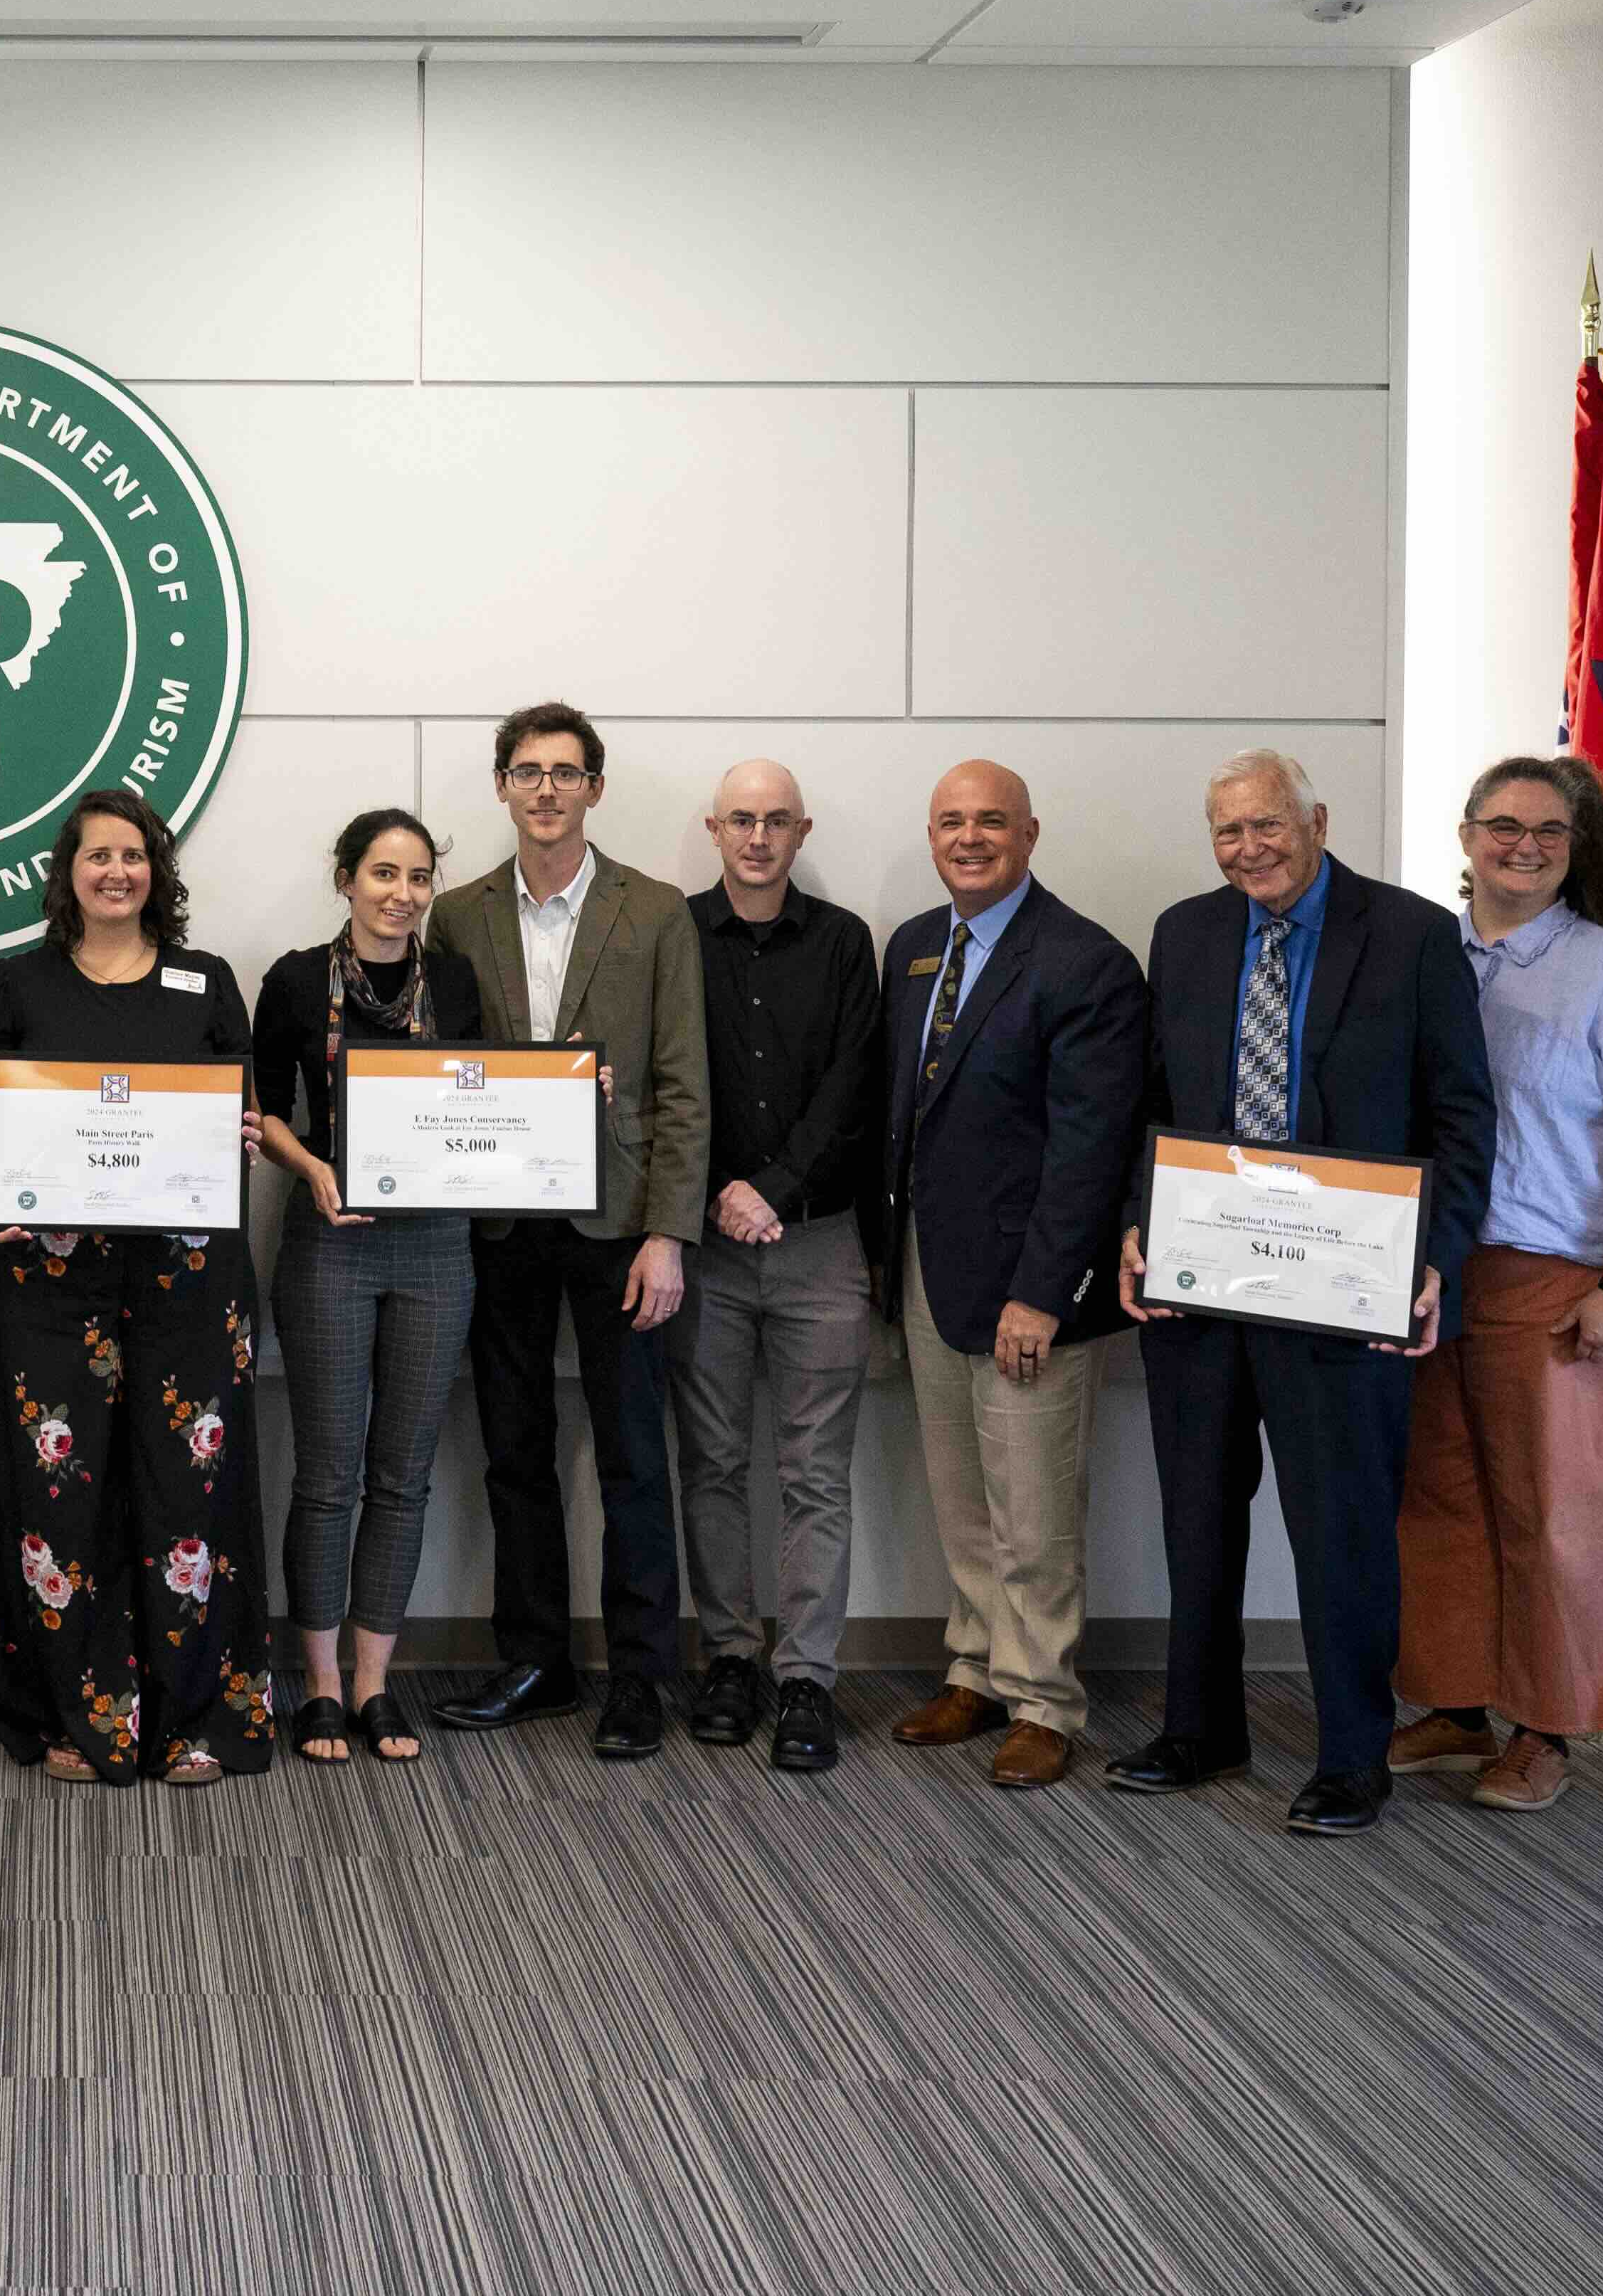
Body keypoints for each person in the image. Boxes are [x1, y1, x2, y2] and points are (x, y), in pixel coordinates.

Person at [1111, 748, 1493, 1836]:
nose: (1249, 850)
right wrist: (1138, 1227)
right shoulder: (1185, 933)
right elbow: (1152, 1104)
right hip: (1199, 1286)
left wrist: (1438, 1261)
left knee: (1342, 1529)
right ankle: (1200, 1729)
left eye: (1268, 826)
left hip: (1344, 1289)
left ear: (1317, 819)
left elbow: (1465, 1121)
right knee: (1197, 1517)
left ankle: (1351, 1756)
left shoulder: (1414, 936)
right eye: (1227, 831)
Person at [1385, 757, 1603, 1813]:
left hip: (1558, 1274)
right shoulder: (1424, 953)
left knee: (1557, 1510)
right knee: (1440, 1495)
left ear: (1579, 848)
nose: (1523, 846)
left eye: (1550, 833)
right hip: (1431, 1267)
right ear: (1465, 833)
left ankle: (1548, 1727)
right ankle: (1457, 1701)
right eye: (1504, 826)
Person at [0, 788, 273, 1787]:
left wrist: (239, 1134)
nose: (116, 873)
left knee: (190, 1487)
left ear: (157, 871)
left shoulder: (206, 979)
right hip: (55, 1282)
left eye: (133, 856)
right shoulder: (16, 984)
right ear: (68, 874)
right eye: (97, 856)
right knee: (61, 1495)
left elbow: (249, 1118)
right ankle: (74, 1715)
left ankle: (197, 1719)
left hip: (188, 1277)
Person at [425, 704, 709, 1762]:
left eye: (566, 773)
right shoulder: (456, 914)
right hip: (498, 1222)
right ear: (502, 786)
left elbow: (684, 1085)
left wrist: (668, 1233)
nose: (546, 791)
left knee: (636, 1452)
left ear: (596, 787)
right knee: (515, 1450)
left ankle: (641, 1675)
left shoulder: (657, 912)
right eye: (527, 773)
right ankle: (537, 1659)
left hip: (619, 1227)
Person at [877, 759, 1143, 1794]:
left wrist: (1044, 1290)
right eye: (952, 821)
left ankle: (1044, 1699)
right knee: (962, 1497)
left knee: (1035, 1508)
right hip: (929, 1271)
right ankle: (979, 1668)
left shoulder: (1086, 963)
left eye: (992, 821)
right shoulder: (912, 949)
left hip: (1031, 1287)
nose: (971, 838)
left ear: (1031, 834)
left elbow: (1091, 1150)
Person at [250, 808, 484, 1768]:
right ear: (345, 878)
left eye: (419, 877)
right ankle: (316, 1684)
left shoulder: (458, 980)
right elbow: (258, 1110)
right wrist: (311, 1167)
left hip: (437, 1242)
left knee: (404, 1475)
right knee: (328, 1474)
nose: (402, 895)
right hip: (330, 1239)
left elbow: (481, 1097)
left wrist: (557, 1108)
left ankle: (377, 1682)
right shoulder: (296, 980)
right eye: (383, 874)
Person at [670, 761, 882, 1774]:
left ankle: (806, 1679)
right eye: (741, 820)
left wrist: (775, 1185)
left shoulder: (845, 943)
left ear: (804, 830)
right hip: (702, 1246)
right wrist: (718, 1188)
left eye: (777, 821)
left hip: (819, 1241)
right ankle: (728, 1657)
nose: (758, 837)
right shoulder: (674, 935)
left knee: (814, 1473)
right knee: (710, 1462)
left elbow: (853, 1085)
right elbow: (665, 1076)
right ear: (714, 829)